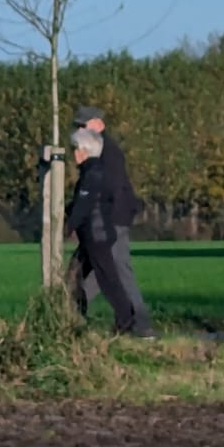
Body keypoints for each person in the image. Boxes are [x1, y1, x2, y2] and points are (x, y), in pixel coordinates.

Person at [68, 105, 155, 337]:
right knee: (96, 272)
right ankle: (71, 314)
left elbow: (109, 190)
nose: (79, 130)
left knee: (117, 270)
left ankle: (140, 323)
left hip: (111, 220)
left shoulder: (108, 152)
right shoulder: (98, 151)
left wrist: (92, 219)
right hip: (103, 222)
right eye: (77, 126)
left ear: (99, 125)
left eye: (83, 125)